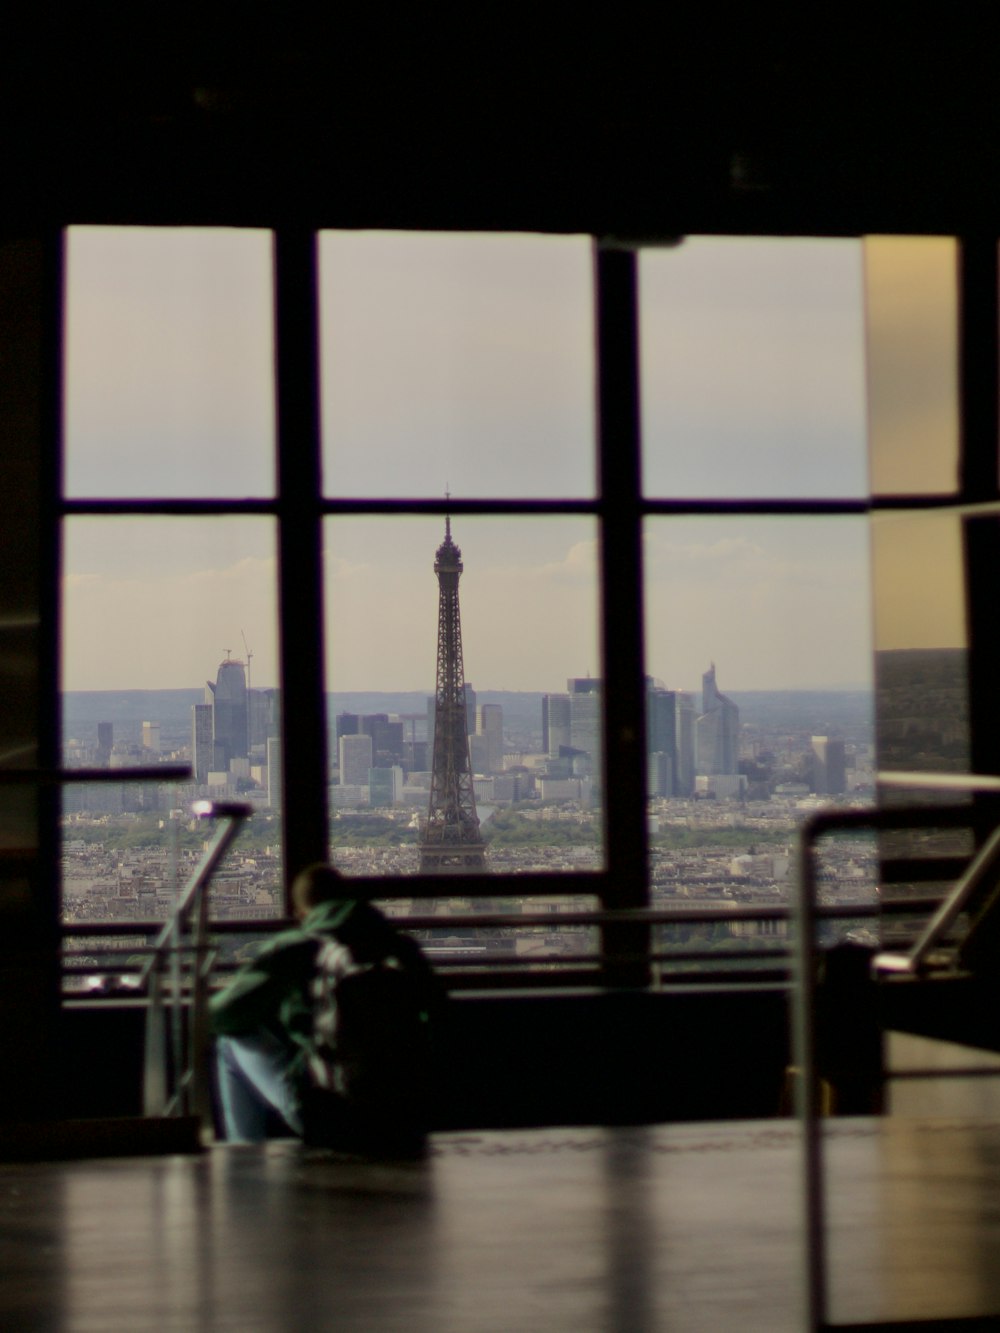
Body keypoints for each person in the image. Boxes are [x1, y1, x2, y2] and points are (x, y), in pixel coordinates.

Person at [211, 863, 437, 1149]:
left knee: (229, 1042)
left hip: (330, 1113)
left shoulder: (298, 946)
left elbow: (226, 1014)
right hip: (407, 1113)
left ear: (301, 913)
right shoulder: (401, 947)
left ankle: (243, 1157)